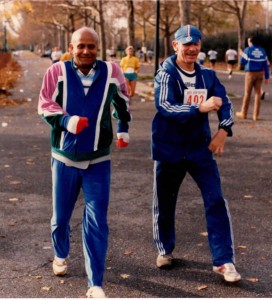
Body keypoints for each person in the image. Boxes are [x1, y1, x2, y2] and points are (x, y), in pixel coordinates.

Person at [38, 27, 131, 298]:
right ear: (71, 46)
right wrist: (67, 121)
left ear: (98, 48)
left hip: (98, 159)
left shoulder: (112, 71)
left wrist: (123, 127)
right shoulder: (56, 72)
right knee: (61, 218)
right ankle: (60, 254)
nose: (86, 51)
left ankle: (95, 284)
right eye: (81, 46)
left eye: (91, 46)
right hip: (64, 159)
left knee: (97, 221)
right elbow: (45, 105)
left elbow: (123, 99)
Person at [151, 24, 241, 283]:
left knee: (216, 200)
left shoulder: (208, 76)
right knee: (165, 202)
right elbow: (166, 105)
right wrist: (200, 109)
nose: (191, 49)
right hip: (169, 149)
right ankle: (165, 249)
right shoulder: (165, 73)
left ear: (200, 47)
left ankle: (224, 261)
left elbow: (225, 102)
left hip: (199, 149)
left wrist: (224, 130)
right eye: (186, 44)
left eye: (196, 44)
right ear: (175, 46)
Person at [236, 36, 270, 121]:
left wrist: (241, 54)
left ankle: (244, 113)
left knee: (247, 93)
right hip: (260, 73)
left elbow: (243, 62)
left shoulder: (248, 50)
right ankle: (256, 115)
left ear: (251, 42)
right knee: (258, 94)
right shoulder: (262, 50)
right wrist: (267, 76)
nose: (248, 43)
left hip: (250, 73)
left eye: (248, 41)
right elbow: (266, 64)